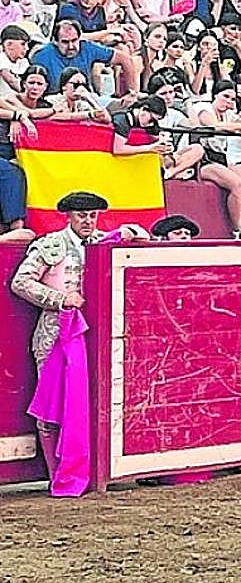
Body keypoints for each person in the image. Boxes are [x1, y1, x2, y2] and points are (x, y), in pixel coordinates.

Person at [10, 191, 148, 478]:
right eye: (82, 215)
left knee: (95, 403)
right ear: (68, 216)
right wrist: (60, 299)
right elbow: (20, 282)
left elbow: (143, 238)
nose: (88, 221)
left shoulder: (102, 242)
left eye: (93, 216)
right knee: (52, 404)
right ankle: (58, 475)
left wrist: (129, 231)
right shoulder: (51, 244)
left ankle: (91, 471)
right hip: (56, 332)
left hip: (98, 335)